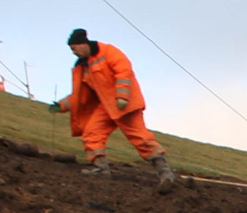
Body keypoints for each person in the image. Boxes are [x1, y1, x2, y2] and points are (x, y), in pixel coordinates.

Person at [56, 28, 173, 182]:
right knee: (92, 133)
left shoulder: (108, 51)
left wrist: (122, 96)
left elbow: (123, 71)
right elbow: (79, 96)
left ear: (82, 44)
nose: (73, 52)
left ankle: (165, 173)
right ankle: (101, 169)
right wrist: (61, 105)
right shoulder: (82, 67)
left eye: (73, 48)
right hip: (106, 107)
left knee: (141, 139)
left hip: (126, 105)